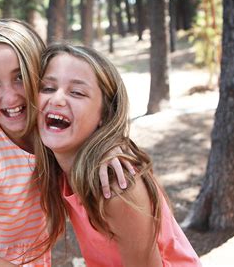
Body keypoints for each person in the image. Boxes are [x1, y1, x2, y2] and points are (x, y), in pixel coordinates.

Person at [0, 20, 132, 266]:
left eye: (20, 77)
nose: (11, 96)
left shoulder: (54, 134)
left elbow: (94, 127)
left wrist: (108, 147)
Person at [33, 43, 202, 266]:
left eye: (77, 92)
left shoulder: (116, 184)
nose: (57, 99)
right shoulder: (59, 169)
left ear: (104, 114)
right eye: (47, 88)